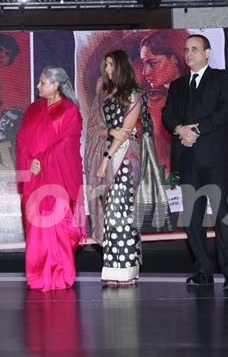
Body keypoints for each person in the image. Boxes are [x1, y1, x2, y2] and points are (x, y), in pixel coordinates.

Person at [162, 35, 228, 290]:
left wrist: (195, 131)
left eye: (195, 49)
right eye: (186, 49)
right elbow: (167, 116)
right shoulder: (177, 85)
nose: (189, 53)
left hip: (215, 158)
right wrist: (179, 129)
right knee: (193, 219)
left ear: (207, 53)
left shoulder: (222, 78)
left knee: (222, 217)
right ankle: (203, 269)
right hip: (187, 160)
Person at [16, 66, 86, 291]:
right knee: (37, 226)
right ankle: (38, 274)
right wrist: (30, 162)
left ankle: (60, 274)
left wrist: (43, 160)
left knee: (56, 224)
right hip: (35, 177)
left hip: (57, 177)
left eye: (43, 82)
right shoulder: (33, 109)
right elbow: (22, 140)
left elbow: (67, 143)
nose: (38, 86)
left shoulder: (69, 110)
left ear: (56, 85)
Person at [95, 50, 144, 285]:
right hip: (113, 152)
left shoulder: (133, 94)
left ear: (122, 66)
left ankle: (127, 271)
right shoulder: (107, 94)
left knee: (120, 211)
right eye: (106, 65)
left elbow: (126, 131)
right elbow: (103, 129)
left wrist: (106, 157)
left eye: (112, 65)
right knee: (112, 214)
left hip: (125, 157)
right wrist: (110, 132)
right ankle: (114, 270)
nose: (108, 70)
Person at [138, 31, 188, 180]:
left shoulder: (196, 93)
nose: (145, 72)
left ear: (174, 59)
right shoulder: (149, 101)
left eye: (152, 63)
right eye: (143, 63)